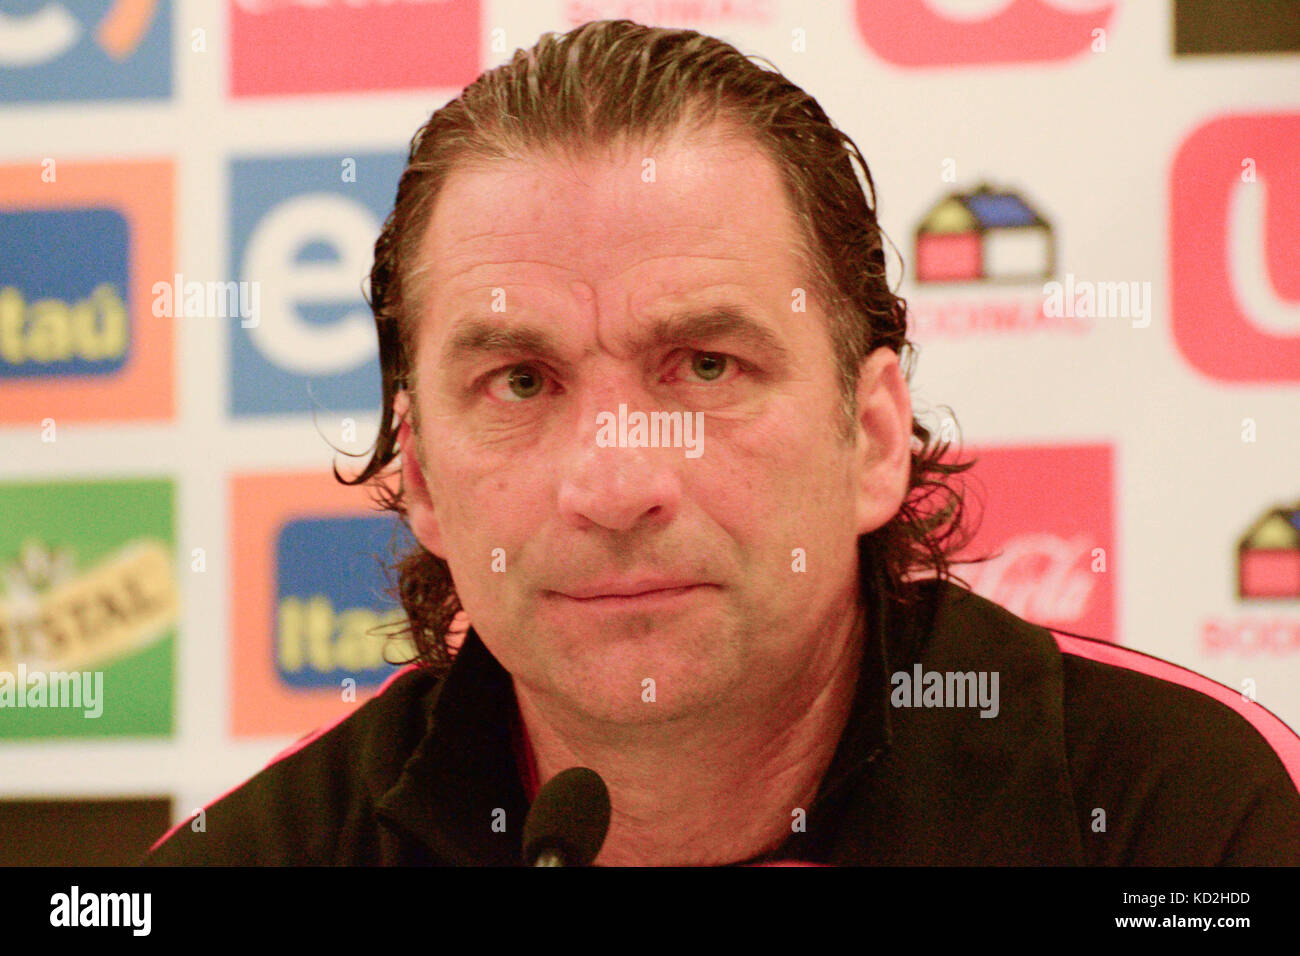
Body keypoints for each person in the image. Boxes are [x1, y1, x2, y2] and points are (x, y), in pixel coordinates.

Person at [146, 19, 1300, 866]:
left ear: (873, 434)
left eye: (705, 366)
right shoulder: (256, 855)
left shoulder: (1178, 816)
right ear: (422, 474)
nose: (613, 481)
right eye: (519, 380)